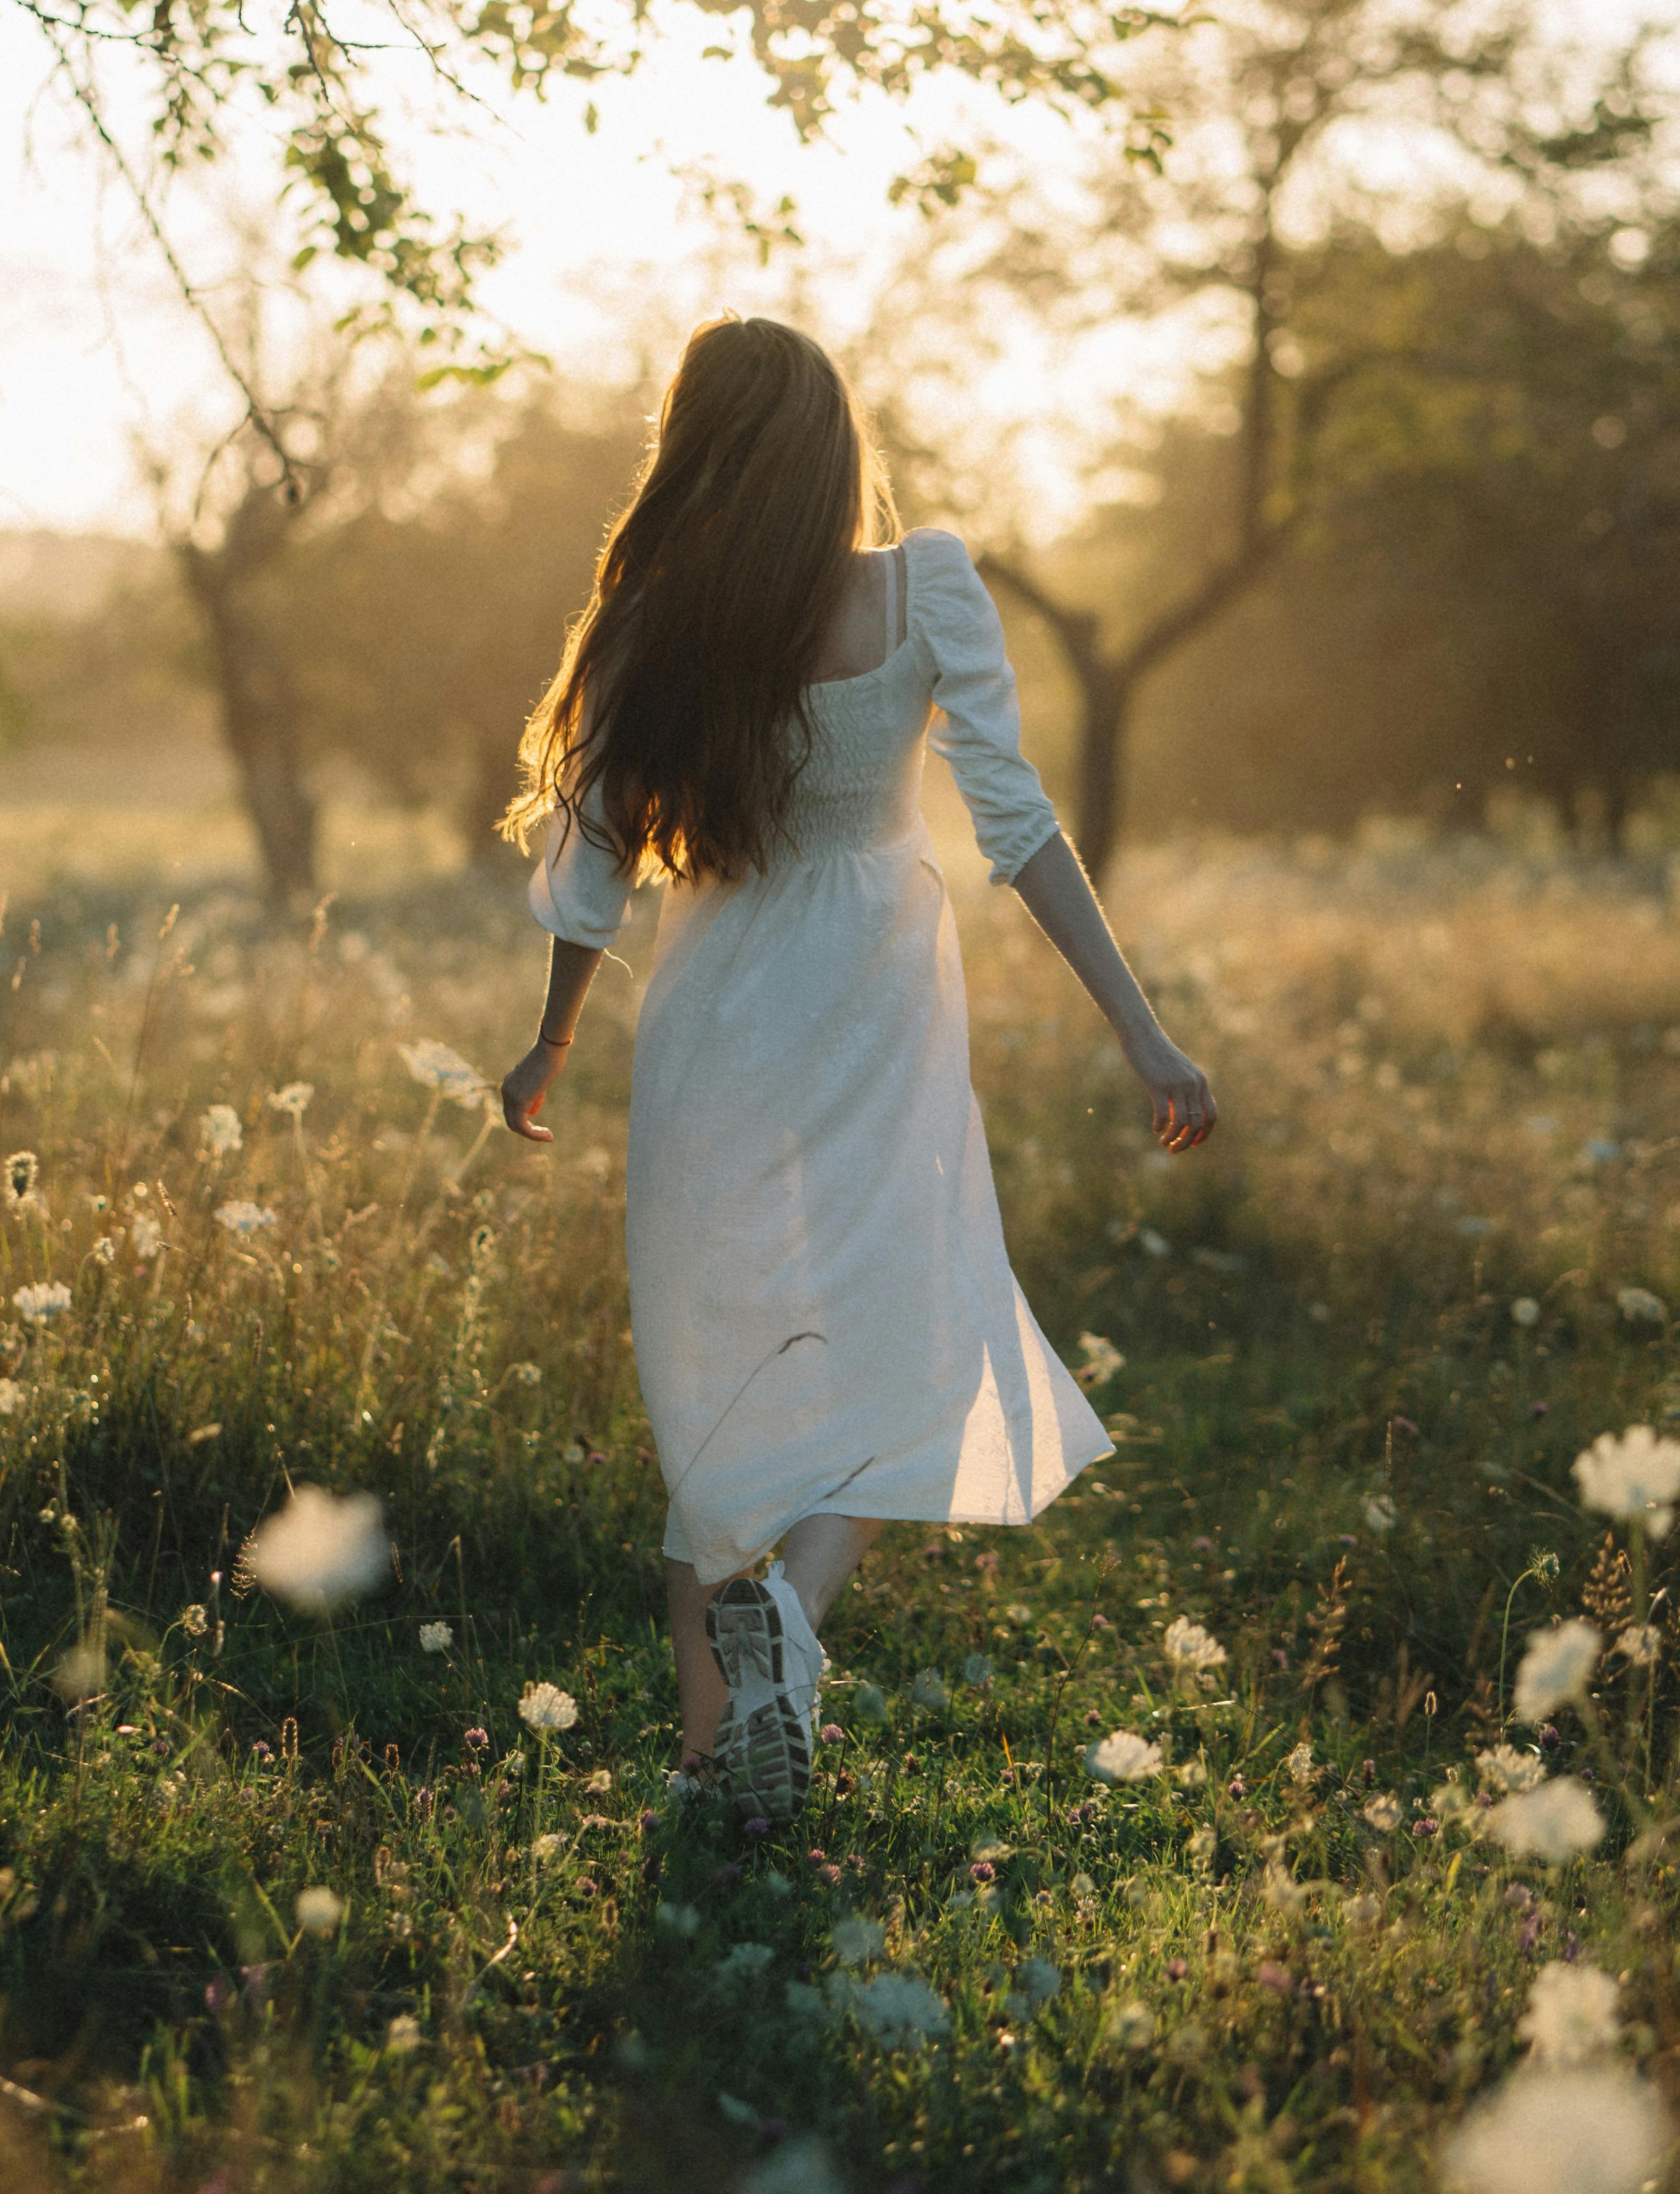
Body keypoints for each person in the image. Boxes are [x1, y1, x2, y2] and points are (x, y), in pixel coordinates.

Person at [500, 315, 1216, 1821]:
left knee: (719, 1375)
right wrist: (1143, 1032)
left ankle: (719, 1772)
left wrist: (551, 1046)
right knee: (918, 1330)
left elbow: (595, 879)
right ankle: (791, 1644)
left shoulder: (654, 626)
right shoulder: (920, 586)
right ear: (837, 444)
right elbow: (1016, 826)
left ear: (691, 448)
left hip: (718, 1008)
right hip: (878, 996)